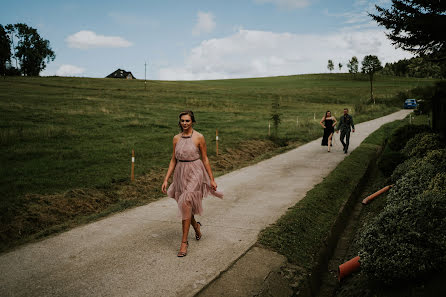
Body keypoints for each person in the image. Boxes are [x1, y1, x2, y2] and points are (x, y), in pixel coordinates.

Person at [162, 110, 223, 257]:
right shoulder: (176, 138)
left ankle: (184, 243)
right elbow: (173, 159)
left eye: (187, 121)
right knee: (185, 206)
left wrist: (212, 179)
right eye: (182, 121)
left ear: (192, 122)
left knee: (187, 200)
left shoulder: (199, 137)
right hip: (180, 172)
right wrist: (166, 179)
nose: (184, 123)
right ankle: (196, 226)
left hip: (195, 171)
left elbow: (205, 158)